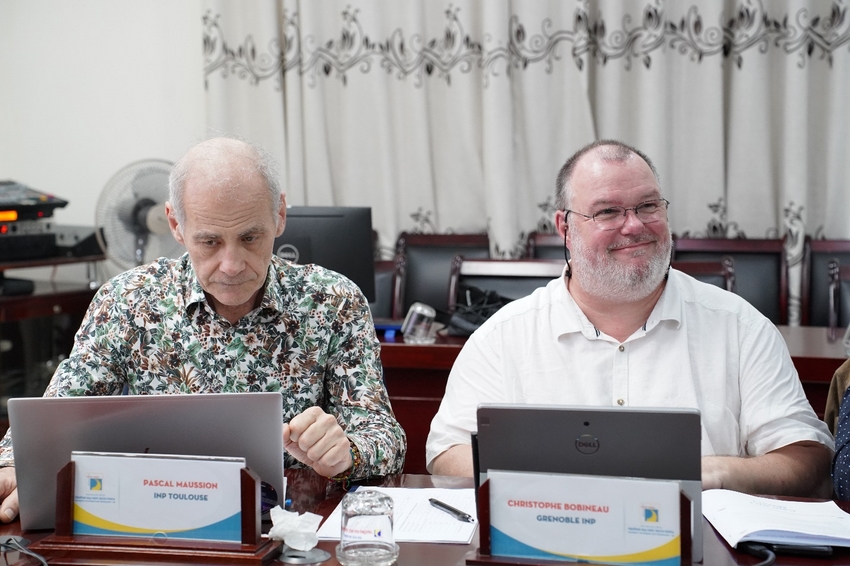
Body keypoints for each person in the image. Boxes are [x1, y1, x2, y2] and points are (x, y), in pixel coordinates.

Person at [0, 136, 406, 522]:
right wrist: (14, 465)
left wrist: (348, 451)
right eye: (210, 242)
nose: (231, 265)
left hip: (289, 530)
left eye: (250, 237)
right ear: (175, 225)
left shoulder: (332, 300)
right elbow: (51, 420)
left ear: (279, 215)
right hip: (153, 523)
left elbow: (386, 437)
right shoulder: (128, 301)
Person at [426, 139, 833, 497]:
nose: (635, 225)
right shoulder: (503, 336)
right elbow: (447, 454)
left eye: (648, 206)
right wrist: (564, 485)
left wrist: (715, 471)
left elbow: (806, 459)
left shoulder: (740, 327)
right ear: (565, 227)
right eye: (608, 212)